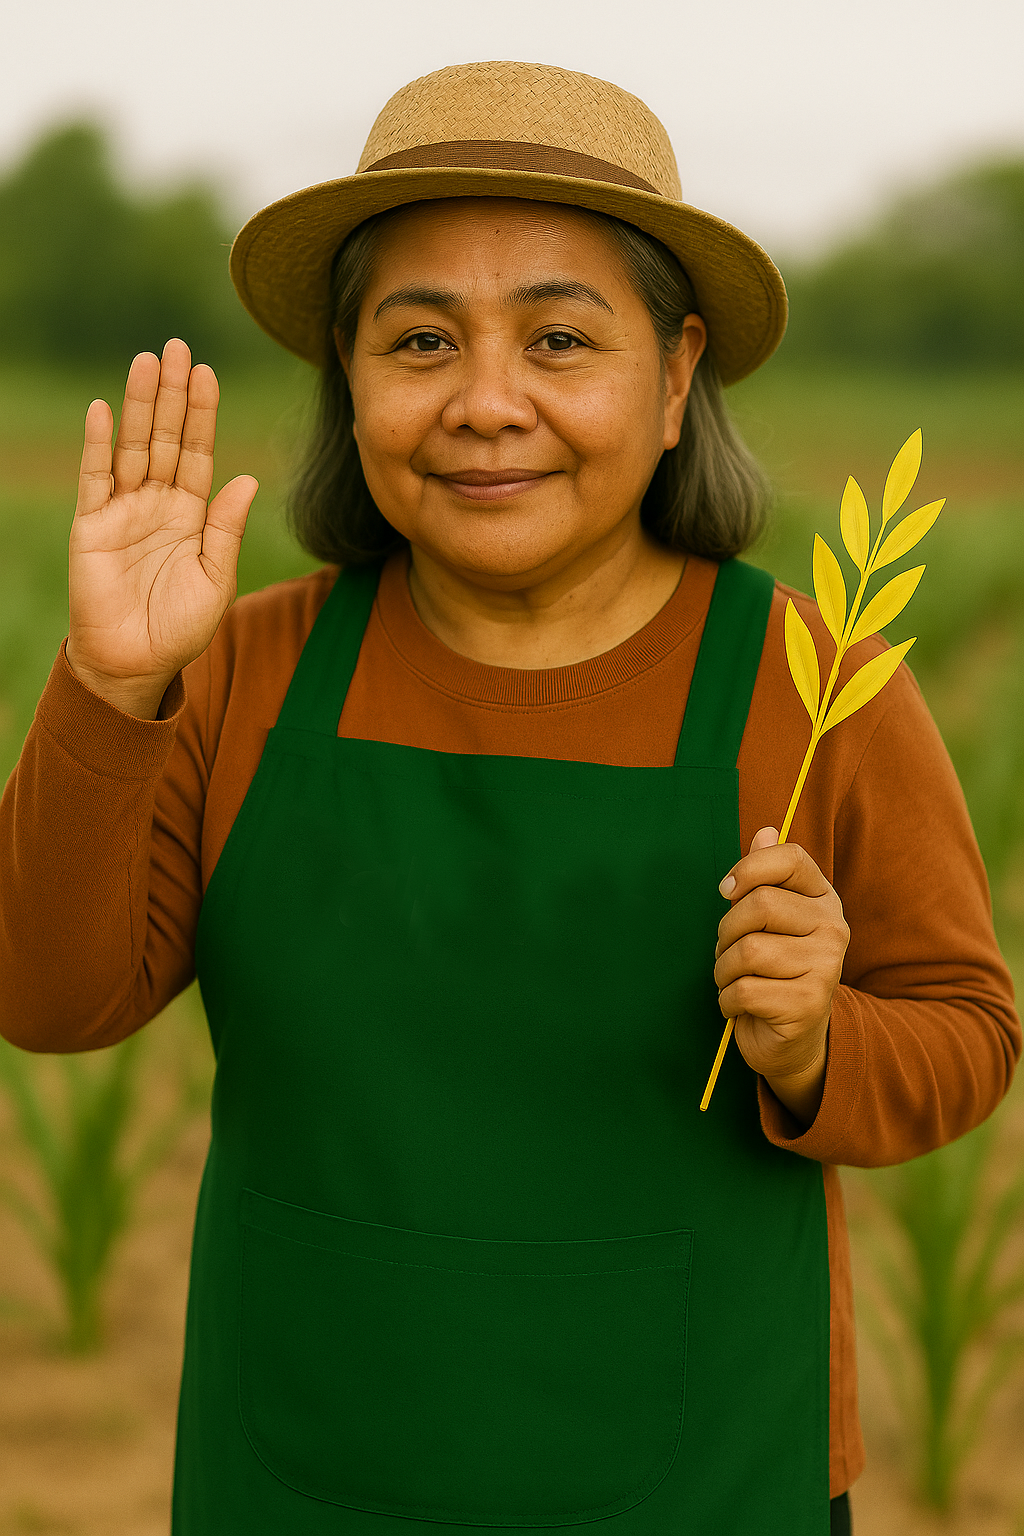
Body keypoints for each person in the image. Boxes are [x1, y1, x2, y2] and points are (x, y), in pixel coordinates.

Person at [0, 60, 1018, 1536]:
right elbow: (46, 994)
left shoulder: (814, 681)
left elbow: (970, 1034)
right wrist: (111, 687)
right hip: (300, 1474)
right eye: (419, 341)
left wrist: (816, 1040)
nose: (487, 404)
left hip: (703, 1478)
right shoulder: (242, 669)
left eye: (558, 338)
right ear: (349, 382)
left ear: (674, 380)